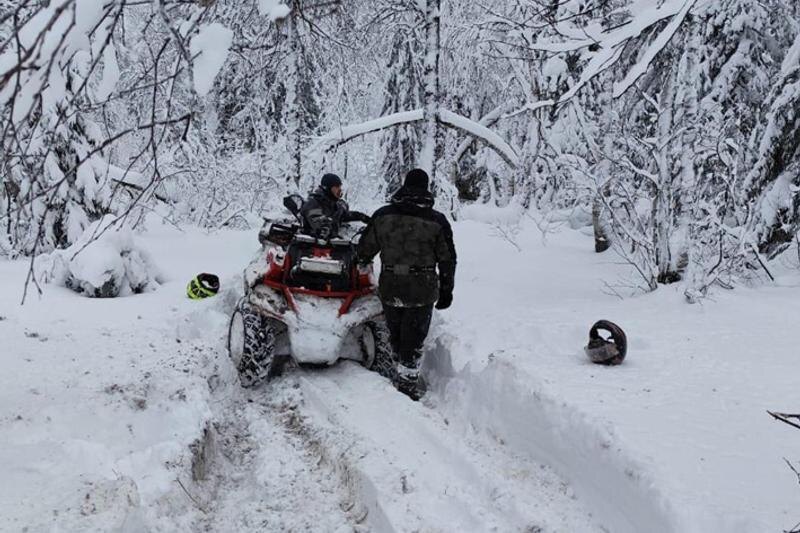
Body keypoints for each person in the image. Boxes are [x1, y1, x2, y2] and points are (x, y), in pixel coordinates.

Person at [357, 169, 456, 400]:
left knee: (395, 334)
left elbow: (364, 251)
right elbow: (448, 259)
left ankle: (397, 374)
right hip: (422, 288)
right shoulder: (437, 221)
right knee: (413, 339)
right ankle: (407, 387)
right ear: (426, 188)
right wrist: (446, 290)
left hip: (391, 286)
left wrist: (362, 263)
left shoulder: (382, 215)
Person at [300, 173, 370, 238]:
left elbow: (345, 215)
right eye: (336, 187)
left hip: (331, 246)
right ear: (327, 188)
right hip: (310, 247)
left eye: (340, 187)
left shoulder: (334, 205)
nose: (340, 190)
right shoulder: (313, 204)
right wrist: (333, 228)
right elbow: (322, 226)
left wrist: (363, 217)